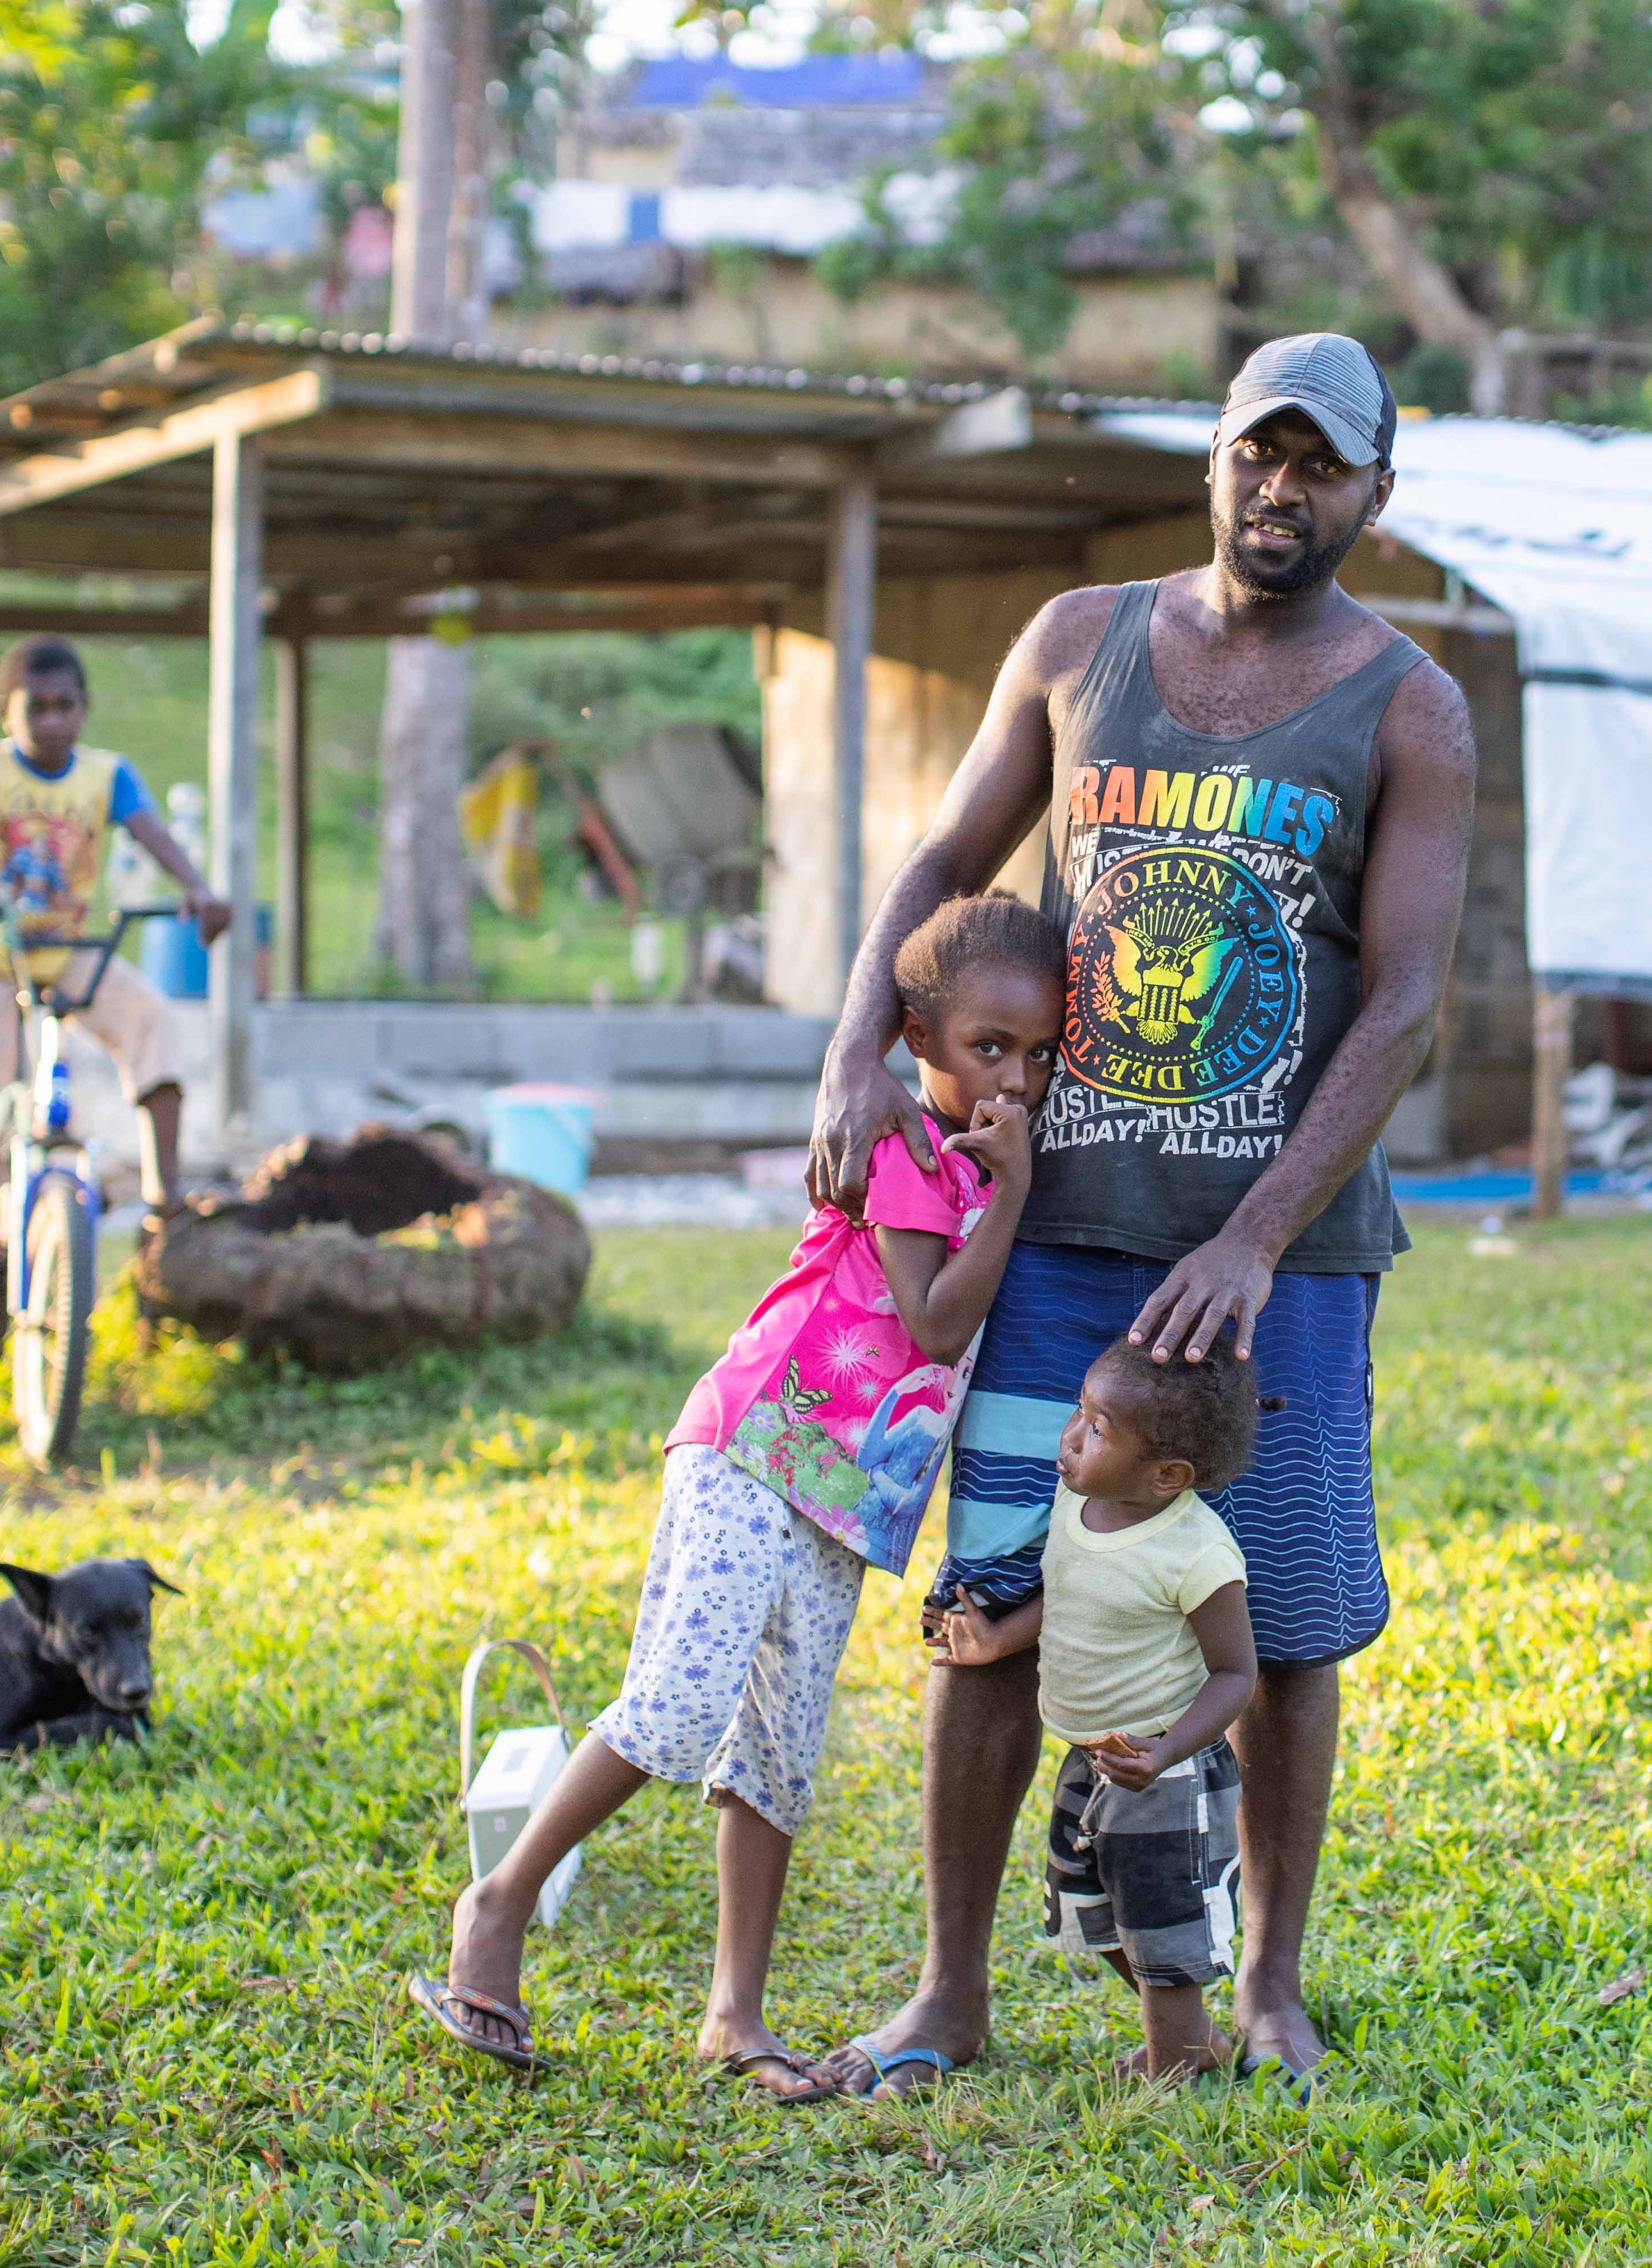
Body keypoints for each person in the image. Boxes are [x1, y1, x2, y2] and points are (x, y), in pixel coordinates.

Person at [806, 333, 1478, 2100]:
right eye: (1259, 452)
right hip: (1050, 1236)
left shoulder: (1409, 702)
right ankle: (950, 1997)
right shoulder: (1078, 642)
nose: (1282, 487)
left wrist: (1254, 1234)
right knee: (996, 1599)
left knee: (1292, 1611)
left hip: (1282, 1266)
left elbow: (1404, 998)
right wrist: (856, 1045)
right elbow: (943, 868)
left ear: (1375, 497)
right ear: (1212, 460)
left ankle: (1267, 1985)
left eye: (1322, 466)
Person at [409, 894, 1063, 2092]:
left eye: (1038, 1053)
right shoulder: (907, 1148)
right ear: (918, 1038)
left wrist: (1012, 1179)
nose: (1016, 1079)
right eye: (989, 1049)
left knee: (776, 1749)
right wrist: (1012, 1190)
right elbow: (933, 1318)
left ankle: (734, 2013)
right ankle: (496, 1903)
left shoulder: (988, 1155)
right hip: (757, 1440)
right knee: (677, 1701)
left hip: (847, 1496)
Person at [927, 1343, 1272, 2084]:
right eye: (1079, 1413)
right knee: (1092, 1904)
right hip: (1094, 1759)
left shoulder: (1198, 1554)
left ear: (1168, 1475)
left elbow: (1235, 1674)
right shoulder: (1082, 1507)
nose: (1071, 1435)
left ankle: (1174, 2060)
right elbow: (1071, 1593)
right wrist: (994, 1641)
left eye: (1098, 1428)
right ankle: (1192, 2036)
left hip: (1164, 1769)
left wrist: (1167, 1749)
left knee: (1159, 1914)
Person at [0, 635, 230, 1373]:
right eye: (38, 708)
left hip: (70, 954)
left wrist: (199, 888)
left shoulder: (106, 775)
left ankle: (165, 1200)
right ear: (8, 710)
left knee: (150, 1018)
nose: (53, 722)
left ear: (85, 709)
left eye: (66, 707)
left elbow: (156, 838)